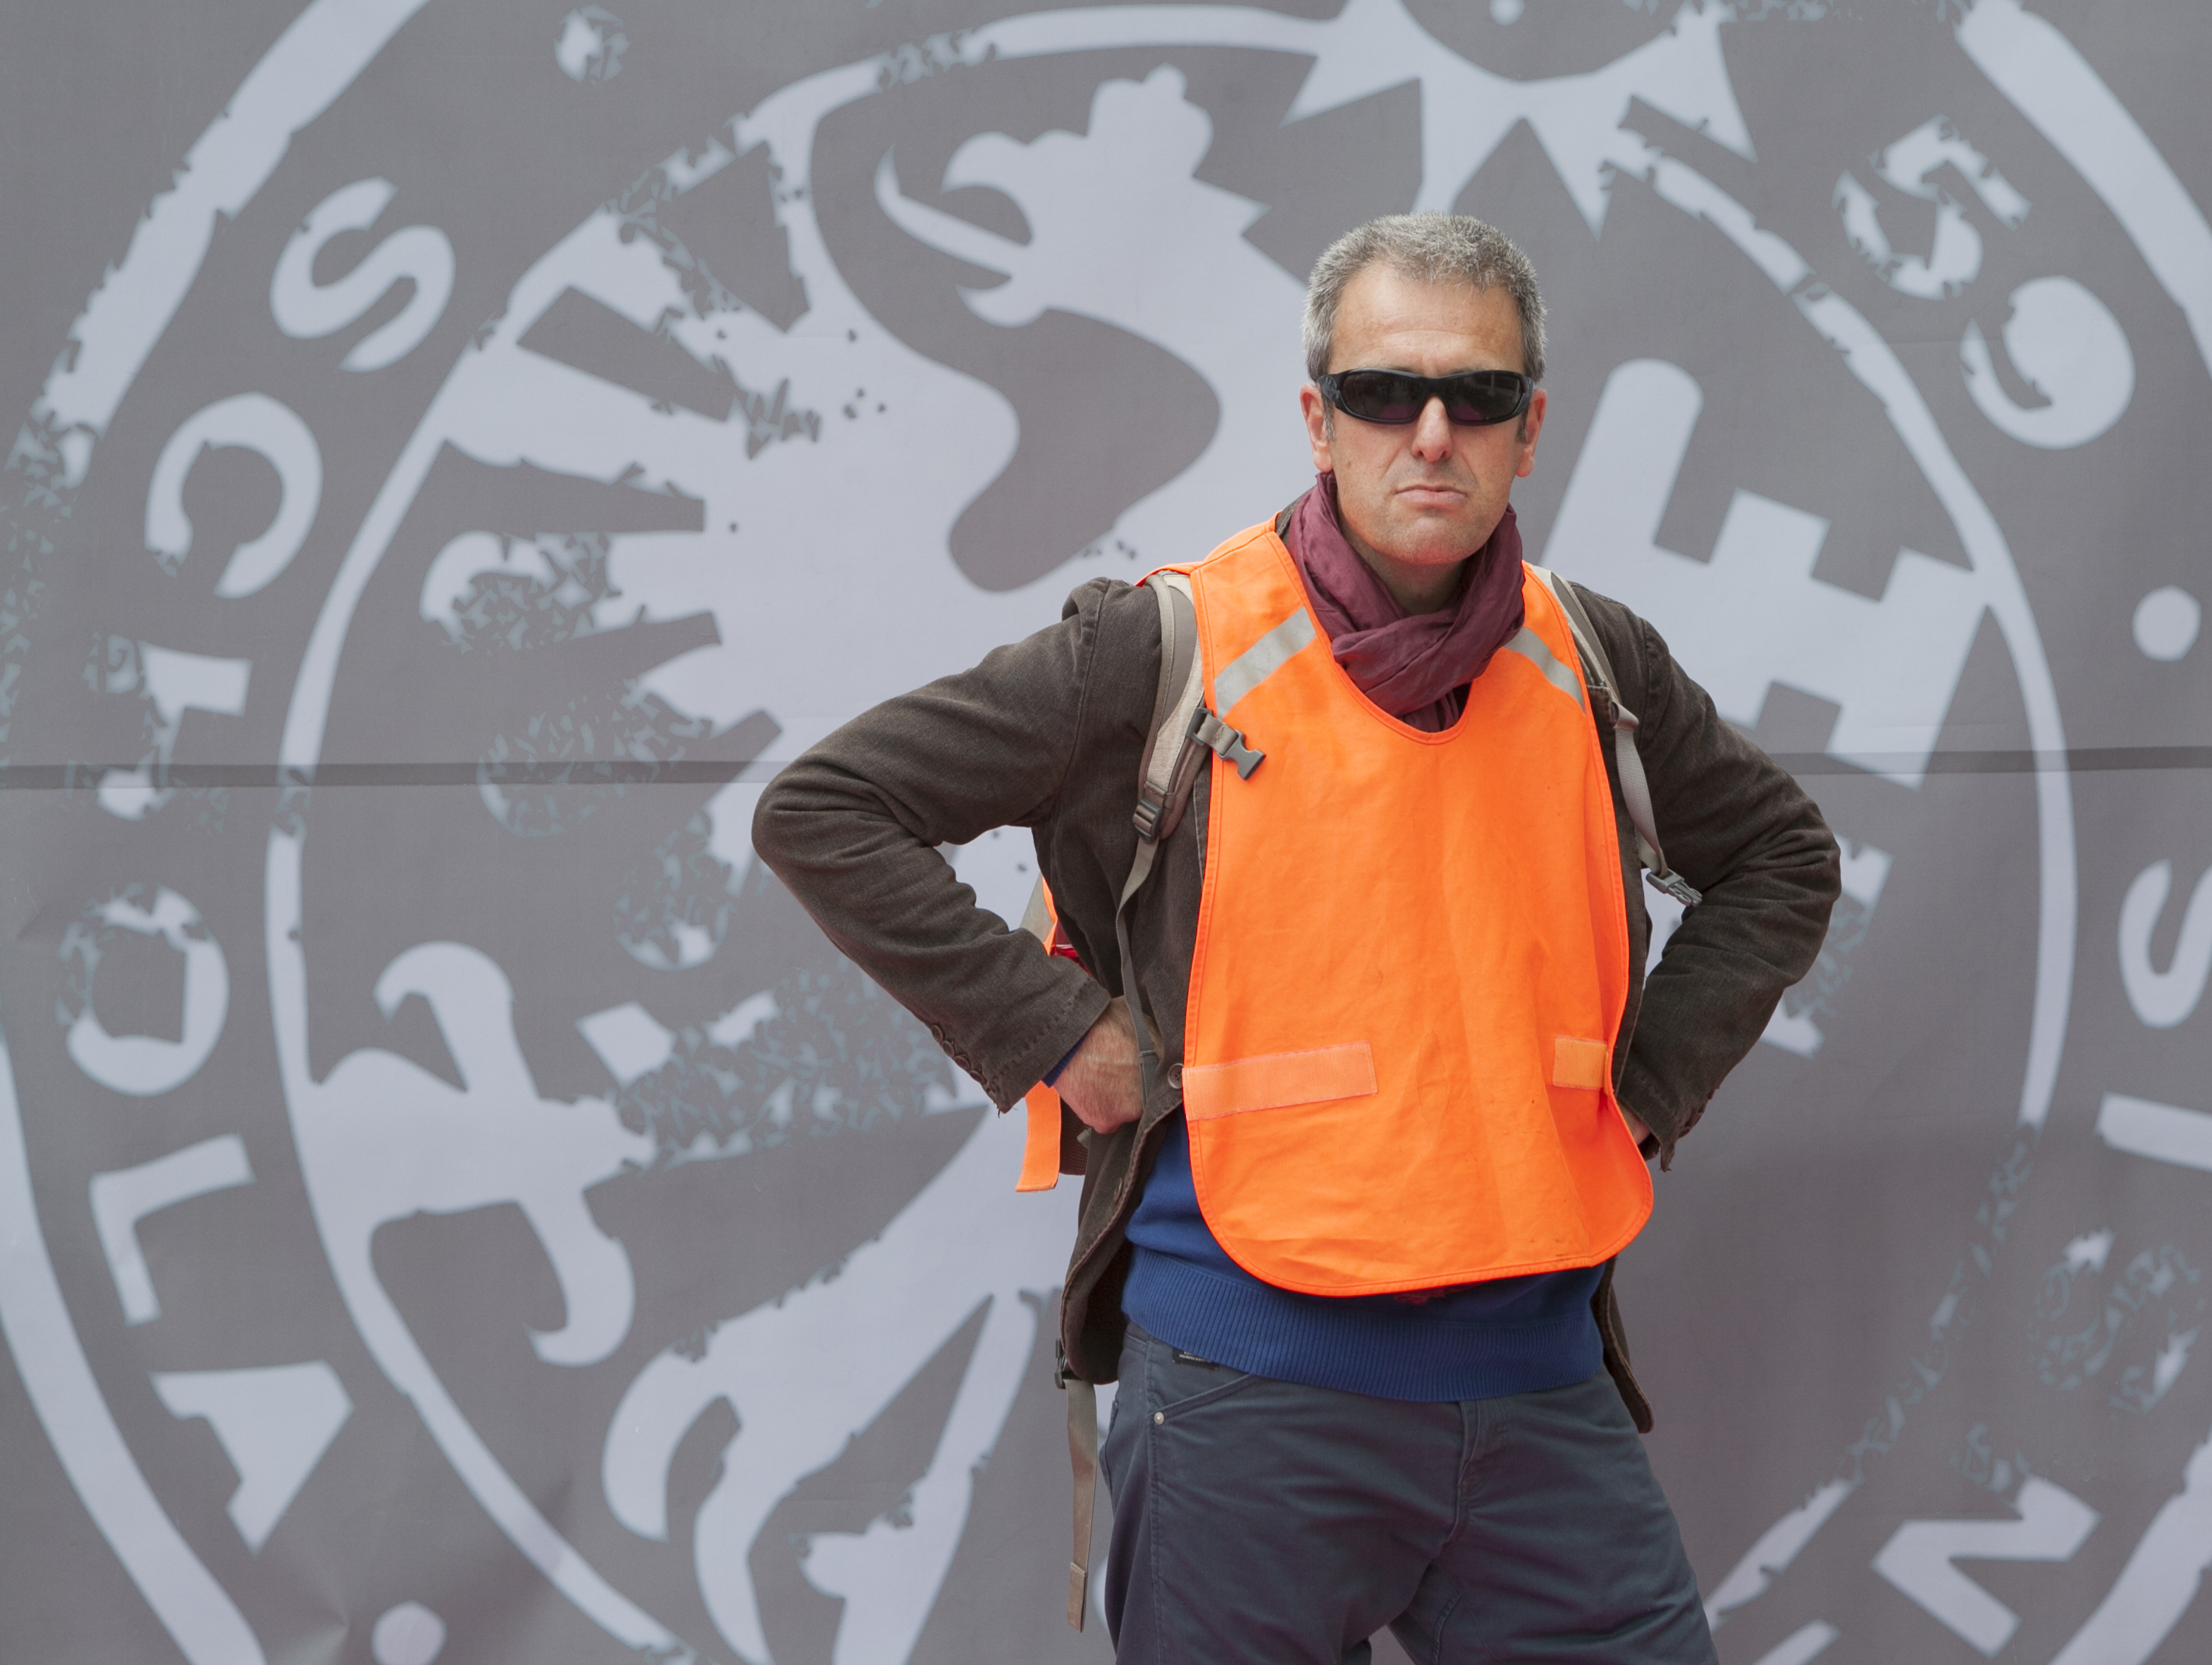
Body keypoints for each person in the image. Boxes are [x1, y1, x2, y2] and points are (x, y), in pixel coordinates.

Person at [753, 212, 1839, 1664]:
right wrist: (1057, 1034)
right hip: (1245, 1397)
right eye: (1384, 393)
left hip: (1537, 1388)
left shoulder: (1591, 660)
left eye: (1478, 395)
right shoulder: (1166, 650)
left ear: (1530, 429)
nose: (1431, 434)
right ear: (1319, 421)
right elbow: (827, 808)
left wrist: (1637, 1094)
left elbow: (1782, 857)